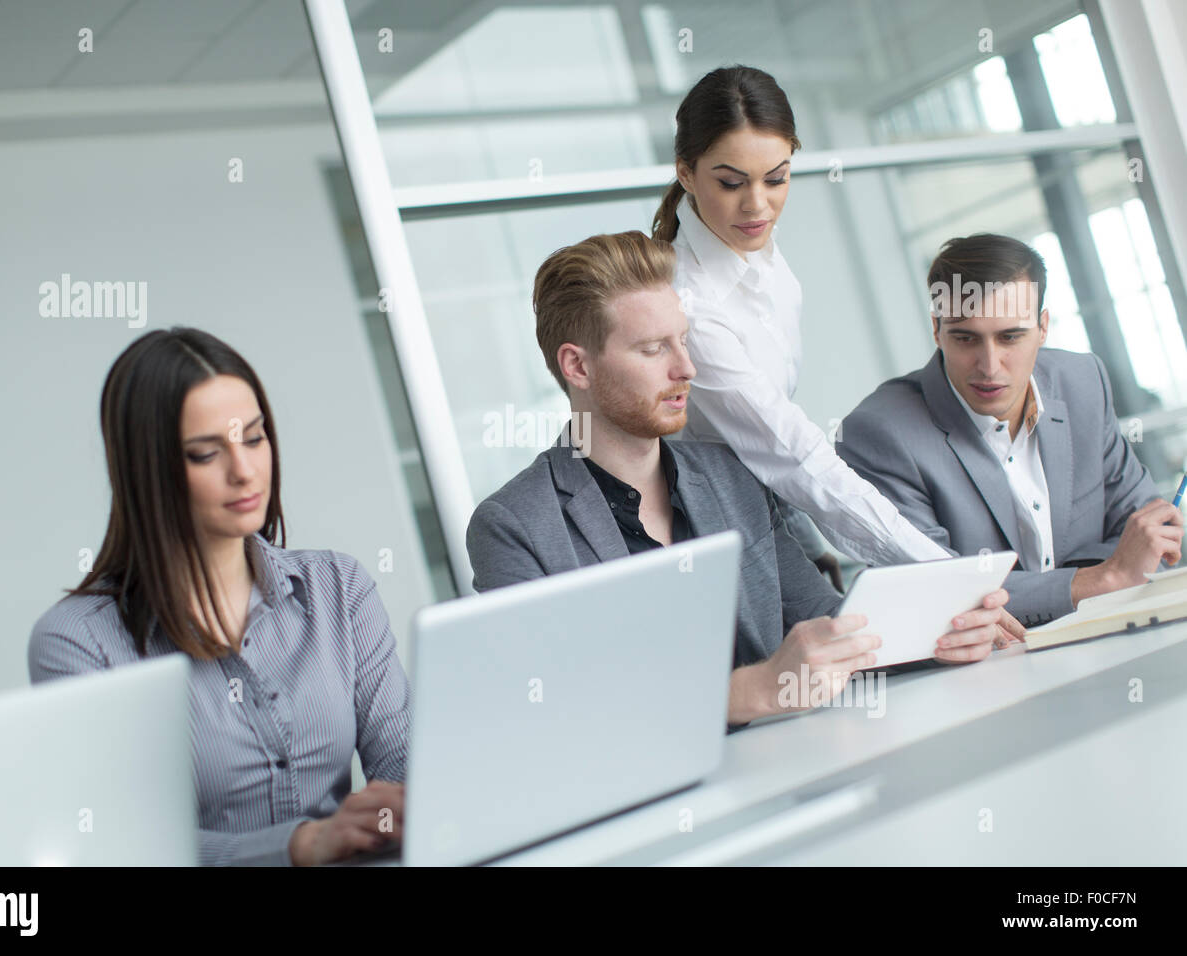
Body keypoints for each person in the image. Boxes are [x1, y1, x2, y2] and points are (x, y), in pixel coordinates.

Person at [466, 231, 1020, 725]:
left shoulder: (731, 477)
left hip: (783, 776)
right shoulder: (513, 527)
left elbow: (823, 622)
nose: (686, 367)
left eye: (682, 339)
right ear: (577, 366)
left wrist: (933, 637)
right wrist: (752, 691)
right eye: (653, 348)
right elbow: (549, 712)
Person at [28, 328, 410, 866]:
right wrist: (302, 845)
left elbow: (402, 759)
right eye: (207, 454)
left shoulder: (338, 587)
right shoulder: (77, 644)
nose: (245, 471)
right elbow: (120, 846)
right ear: (149, 472)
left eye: (254, 439)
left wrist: (400, 811)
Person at [651, 65, 949, 571]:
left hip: (772, 514)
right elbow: (790, 450)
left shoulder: (763, 258)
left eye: (777, 178)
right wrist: (935, 563)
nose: (757, 205)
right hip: (713, 540)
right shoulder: (691, 308)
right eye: (730, 183)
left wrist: (808, 543)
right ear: (686, 173)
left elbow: (769, 440)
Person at [837, 233, 1182, 627]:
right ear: (937, 330)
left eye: (1010, 337)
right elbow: (934, 595)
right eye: (966, 338)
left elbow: (1149, 537)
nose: (989, 366)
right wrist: (1105, 576)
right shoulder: (880, 434)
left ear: (1043, 327)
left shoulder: (1082, 381)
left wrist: (1113, 568)